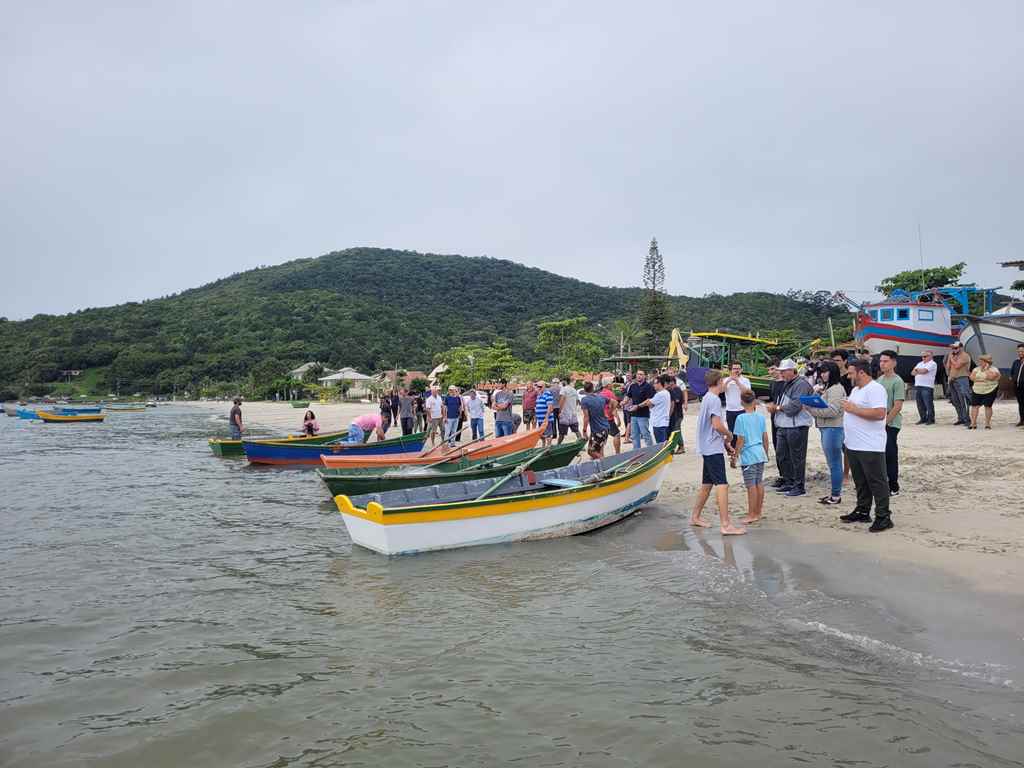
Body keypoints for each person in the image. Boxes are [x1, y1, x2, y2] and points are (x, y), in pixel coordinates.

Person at [840, 358, 893, 532]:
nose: (849, 376)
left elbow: (879, 413)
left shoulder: (876, 389)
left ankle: (883, 516)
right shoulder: (856, 389)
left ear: (861, 372)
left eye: (851, 373)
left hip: (870, 444)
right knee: (861, 481)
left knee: (877, 481)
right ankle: (863, 510)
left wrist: (853, 409)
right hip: (853, 444)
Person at [690, 370, 745, 535]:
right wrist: (729, 436)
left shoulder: (707, 397)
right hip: (711, 448)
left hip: (708, 446)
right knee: (722, 484)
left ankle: (695, 516)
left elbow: (711, 427)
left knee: (707, 484)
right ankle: (726, 524)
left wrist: (725, 444)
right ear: (720, 381)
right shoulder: (713, 399)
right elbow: (717, 425)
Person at [766, 358, 813, 497]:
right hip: (784, 425)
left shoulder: (801, 384)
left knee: (797, 457)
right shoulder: (789, 383)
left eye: (783, 371)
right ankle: (789, 481)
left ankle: (798, 485)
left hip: (796, 425)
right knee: (782, 455)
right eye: (780, 371)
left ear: (792, 371)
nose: (781, 374)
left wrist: (777, 408)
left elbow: (795, 407)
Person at [802, 360, 846, 505]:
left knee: (834, 463)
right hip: (827, 428)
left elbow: (832, 411)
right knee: (833, 462)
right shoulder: (829, 388)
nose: (822, 374)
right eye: (821, 371)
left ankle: (835, 495)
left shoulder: (836, 389)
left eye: (825, 371)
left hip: (833, 428)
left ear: (832, 372)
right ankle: (834, 494)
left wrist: (810, 410)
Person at [731, 390, 769, 524]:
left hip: (749, 455)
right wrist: (766, 453)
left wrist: (735, 456)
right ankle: (758, 512)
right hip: (760, 453)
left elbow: (740, 440)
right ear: (754, 402)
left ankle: (751, 514)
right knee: (759, 483)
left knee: (751, 485)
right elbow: (765, 437)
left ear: (741, 402)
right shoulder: (760, 417)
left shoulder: (740, 418)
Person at [877, 350, 905, 496]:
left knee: (890, 454)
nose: (882, 364)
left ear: (894, 362)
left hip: (892, 423)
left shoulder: (897, 381)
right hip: (879, 421)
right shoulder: (879, 380)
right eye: (881, 361)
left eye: (885, 361)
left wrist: (885, 422)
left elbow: (897, 405)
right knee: (880, 454)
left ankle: (894, 486)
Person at [634, 374, 673, 443]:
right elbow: (650, 403)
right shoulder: (666, 393)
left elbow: (648, 403)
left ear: (660, 384)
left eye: (655, 383)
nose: (653, 385)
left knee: (660, 445)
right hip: (662, 422)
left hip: (658, 423)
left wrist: (639, 406)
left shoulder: (660, 394)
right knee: (662, 443)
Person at [969, 354, 1001, 429]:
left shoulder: (994, 369)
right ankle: (973, 423)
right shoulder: (976, 369)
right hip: (977, 389)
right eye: (980, 361)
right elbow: (972, 378)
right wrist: (983, 379)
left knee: (988, 406)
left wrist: (986, 370)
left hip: (990, 389)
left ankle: (987, 423)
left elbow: (991, 377)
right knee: (974, 406)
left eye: (982, 361)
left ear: (987, 362)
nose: (980, 363)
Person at [723, 362, 753, 445]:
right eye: (734, 368)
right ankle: (733, 452)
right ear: (730, 370)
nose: (737, 370)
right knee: (732, 431)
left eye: (738, 368)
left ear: (742, 370)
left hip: (742, 409)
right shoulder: (726, 380)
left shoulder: (746, 380)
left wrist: (737, 381)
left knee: (743, 432)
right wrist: (729, 380)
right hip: (730, 410)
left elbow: (747, 392)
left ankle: (743, 450)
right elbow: (721, 390)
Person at [579, 381, 611, 459]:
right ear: (593, 388)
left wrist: (584, 431)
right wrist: (609, 412)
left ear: (584, 390)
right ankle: (600, 467)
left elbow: (586, 417)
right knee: (599, 450)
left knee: (591, 451)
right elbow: (613, 402)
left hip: (598, 430)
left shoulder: (584, 400)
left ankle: (605, 464)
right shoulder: (601, 397)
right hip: (604, 428)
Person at [944, 341, 973, 426]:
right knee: (955, 400)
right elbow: (947, 367)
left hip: (962, 378)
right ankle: (960, 418)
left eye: (955, 348)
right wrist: (949, 375)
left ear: (961, 348)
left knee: (963, 399)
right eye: (952, 348)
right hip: (952, 379)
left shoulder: (965, 356)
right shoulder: (952, 355)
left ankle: (967, 419)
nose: (953, 349)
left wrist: (951, 358)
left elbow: (957, 365)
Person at [624, 370, 655, 448]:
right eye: (638, 374)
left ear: (645, 376)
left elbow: (649, 400)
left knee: (645, 434)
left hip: (643, 415)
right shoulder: (633, 386)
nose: (639, 376)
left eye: (641, 374)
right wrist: (623, 402)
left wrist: (637, 406)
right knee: (634, 435)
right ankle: (636, 451)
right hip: (633, 415)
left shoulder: (648, 387)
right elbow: (628, 396)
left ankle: (650, 450)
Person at [910, 350, 938, 424]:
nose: (923, 358)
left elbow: (924, 371)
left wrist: (917, 370)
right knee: (920, 404)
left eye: (925, 356)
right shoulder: (920, 363)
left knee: (928, 404)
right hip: (918, 385)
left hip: (927, 386)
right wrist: (918, 370)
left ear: (931, 356)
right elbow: (912, 373)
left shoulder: (933, 363)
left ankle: (931, 419)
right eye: (922, 356)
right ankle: (923, 418)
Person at [598, 378, 623, 454]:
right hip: (609, 419)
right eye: (611, 383)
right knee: (617, 434)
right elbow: (614, 408)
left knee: (601, 438)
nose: (612, 385)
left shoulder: (600, 394)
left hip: (600, 419)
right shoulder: (610, 393)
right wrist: (618, 419)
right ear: (608, 385)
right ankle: (617, 454)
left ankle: (601, 456)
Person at [557, 379, 582, 444]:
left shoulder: (563, 389)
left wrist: (559, 411)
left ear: (565, 382)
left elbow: (562, 400)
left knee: (562, 433)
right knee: (576, 430)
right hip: (573, 413)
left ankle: (558, 445)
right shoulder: (574, 390)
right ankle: (581, 444)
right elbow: (577, 401)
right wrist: (573, 408)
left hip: (565, 413)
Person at [666, 375, 686, 453]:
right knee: (672, 431)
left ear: (672, 382)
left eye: (669, 382)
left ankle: (681, 446)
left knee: (676, 430)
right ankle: (673, 447)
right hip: (673, 415)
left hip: (678, 415)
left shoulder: (676, 389)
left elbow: (677, 400)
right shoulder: (670, 390)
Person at [533, 380, 555, 447]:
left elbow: (550, 407)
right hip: (540, 419)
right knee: (541, 434)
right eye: (537, 386)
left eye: (540, 386)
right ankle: (543, 446)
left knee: (548, 434)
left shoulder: (548, 394)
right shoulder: (539, 395)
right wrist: (535, 418)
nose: (538, 388)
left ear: (544, 386)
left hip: (546, 419)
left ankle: (548, 446)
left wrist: (546, 418)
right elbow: (537, 407)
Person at [1013, 343, 1024, 427]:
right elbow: (1012, 372)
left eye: (1022, 351)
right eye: (1019, 351)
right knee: (1020, 404)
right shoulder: (1016, 362)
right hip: (1017, 387)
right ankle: (1022, 420)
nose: (1020, 353)